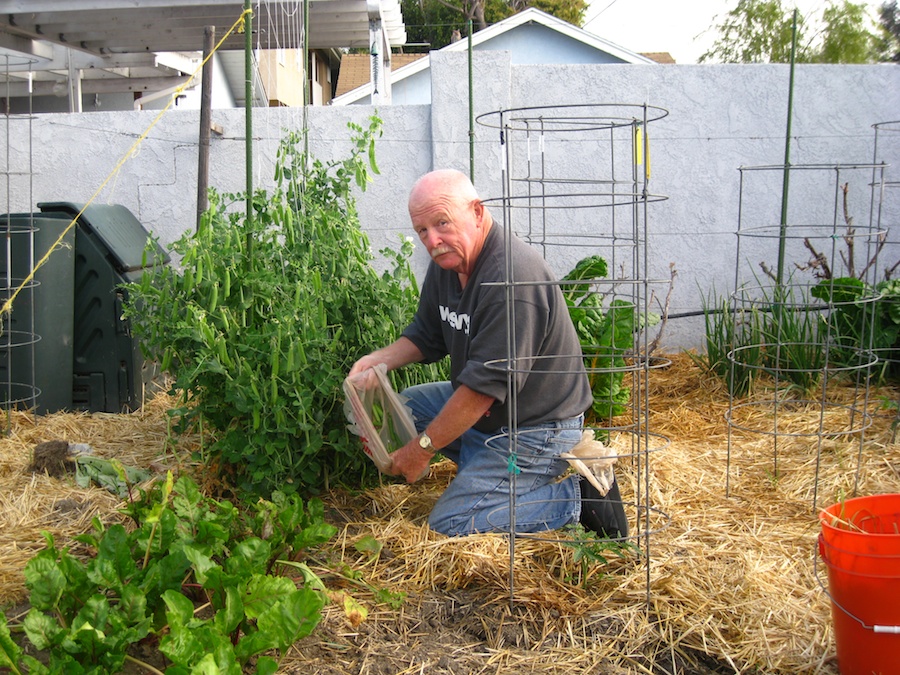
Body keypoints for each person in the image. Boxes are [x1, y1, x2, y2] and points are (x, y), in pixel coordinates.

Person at [348, 169, 628, 539]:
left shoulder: (511, 279)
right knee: (406, 409)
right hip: (494, 413)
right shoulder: (448, 265)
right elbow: (426, 335)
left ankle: (577, 498)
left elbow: (481, 391)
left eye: (442, 223)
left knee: (450, 523)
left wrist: (423, 449)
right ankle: (487, 473)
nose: (433, 240)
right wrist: (378, 360)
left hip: (535, 425)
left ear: (477, 212)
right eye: (422, 231)